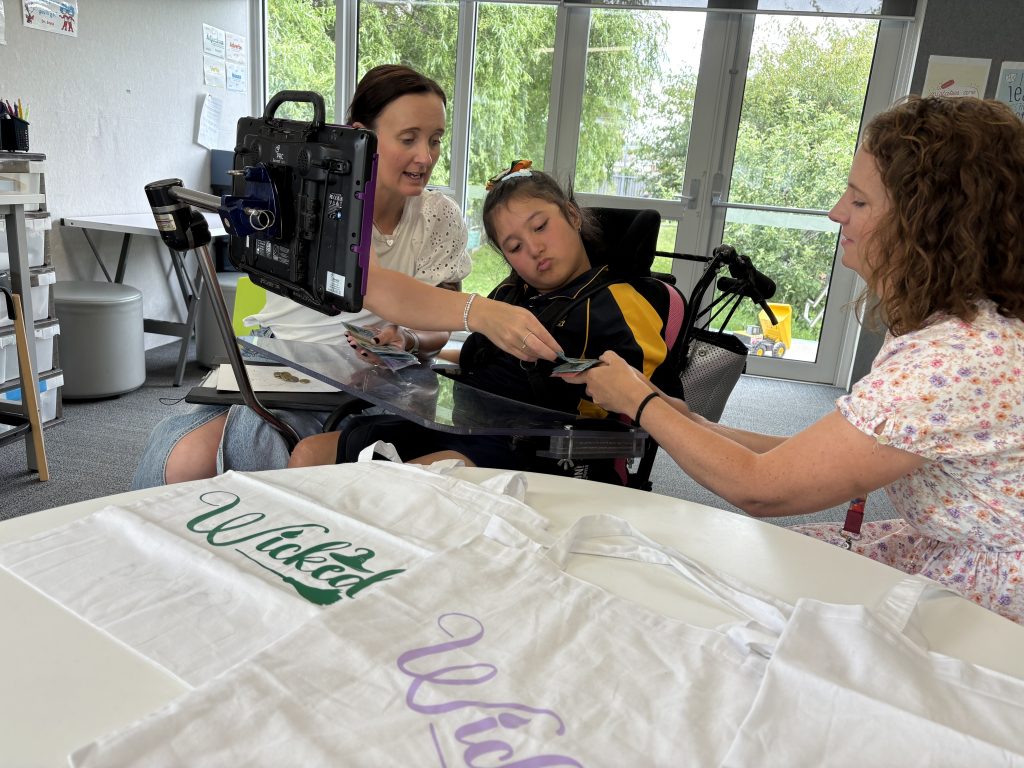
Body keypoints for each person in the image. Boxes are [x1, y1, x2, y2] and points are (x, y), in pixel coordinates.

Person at [573, 96, 1024, 623]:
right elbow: (809, 457)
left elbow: (762, 487)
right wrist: (688, 420)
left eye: (858, 201)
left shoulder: (955, 360)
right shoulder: (963, 325)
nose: (836, 213)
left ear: (929, 225)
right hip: (950, 543)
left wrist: (640, 399)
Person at [131, 66, 558, 489]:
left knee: (274, 462)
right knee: (181, 460)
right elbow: (369, 286)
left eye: (434, 140)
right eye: (408, 139)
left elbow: (435, 331)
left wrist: (406, 338)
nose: (425, 157)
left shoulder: (438, 216)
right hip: (284, 365)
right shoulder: (318, 203)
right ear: (361, 136)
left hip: (374, 380)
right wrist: (480, 313)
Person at [287, 162, 685, 484]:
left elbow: (661, 404)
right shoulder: (512, 298)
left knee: (385, 488)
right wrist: (406, 342)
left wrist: (593, 377)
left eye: (541, 226)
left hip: (535, 450)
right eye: (514, 247)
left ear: (572, 215)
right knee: (310, 455)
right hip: (465, 427)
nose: (533, 249)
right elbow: (484, 358)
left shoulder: (616, 301)